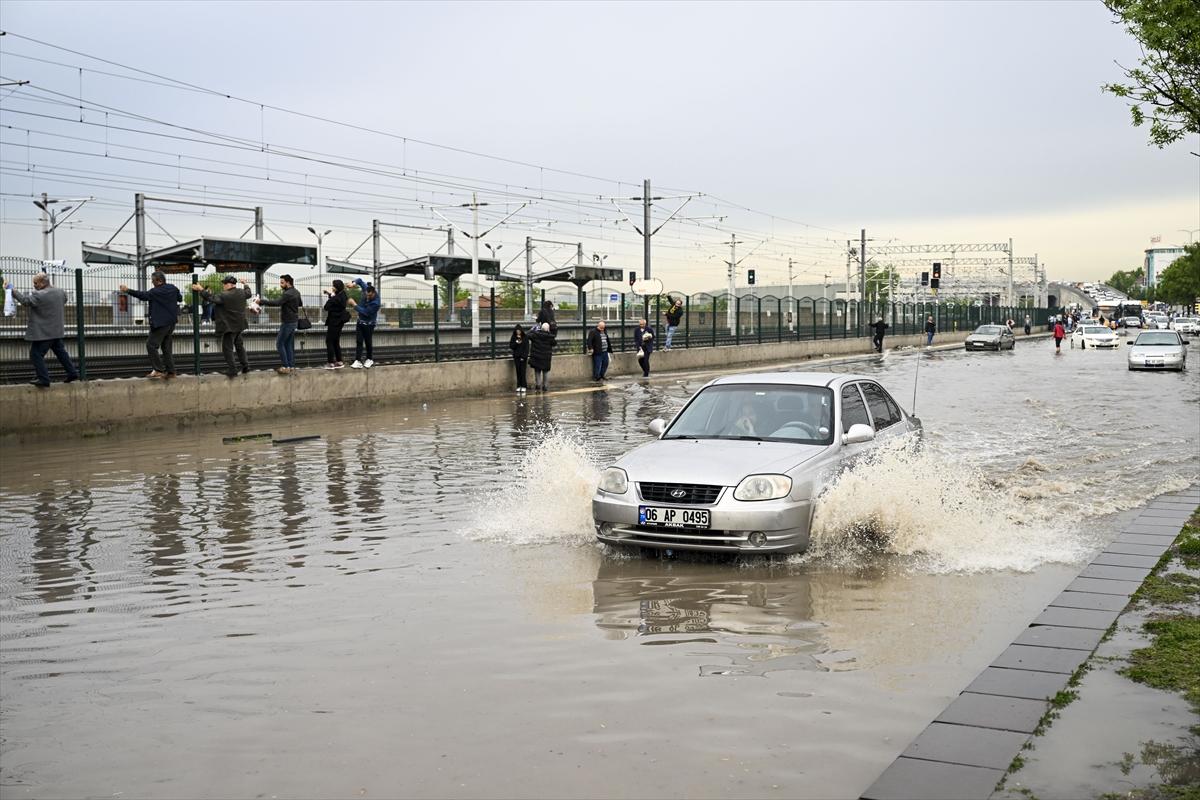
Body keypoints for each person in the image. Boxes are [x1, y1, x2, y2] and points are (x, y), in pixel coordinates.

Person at [6, 272, 79, 388]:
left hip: (44, 332)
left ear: (43, 283)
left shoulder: (39, 295)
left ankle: (43, 379)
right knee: (60, 352)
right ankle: (72, 373)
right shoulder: (61, 292)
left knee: (35, 354)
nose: (34, 285)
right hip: (57, 330)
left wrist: (13, 290)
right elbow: (63, 301)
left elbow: (25, 301)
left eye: (36, 283)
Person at [119, 271, 182, 379]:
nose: (152, 283)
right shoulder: (173, 288)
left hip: (160, 324)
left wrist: (127, 290)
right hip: (171, 323)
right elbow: (180, 298)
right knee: (166, 347)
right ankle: (171, 372)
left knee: (151, 345)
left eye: (153, 281)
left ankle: (158, 370)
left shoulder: (155, 292)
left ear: (159, 281)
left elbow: (143, 296)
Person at [193, 275, 251, 378]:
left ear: (229, 284)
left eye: (224, 283)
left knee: (227, 348)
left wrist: (201, 289)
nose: (223, 285)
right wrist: (245, 283)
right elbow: (249, 293)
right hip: (240, 325)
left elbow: (211, 298)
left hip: (229, 327)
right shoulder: (241, 292)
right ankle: (245, 366)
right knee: (239, 346)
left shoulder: (224, 295)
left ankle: (233, 369)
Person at [258, 274, 303, 374]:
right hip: (294, 321)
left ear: (288, 283)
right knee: (288, 344)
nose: (280, 284)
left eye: (282, 283)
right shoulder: (296, 292)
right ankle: (291, 366)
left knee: (279, 343)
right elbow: (300, 303)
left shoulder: (287, 294)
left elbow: (277, 303)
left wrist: (261, 301)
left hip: (287, 322)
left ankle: (285, 366)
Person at [348, 278, 381, 368]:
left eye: (369, 296)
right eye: (366, 295)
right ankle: (358, 360)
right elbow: (360, 280)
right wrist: (353, 283)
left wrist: (354, 304)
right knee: (359, 341)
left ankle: (369, 359)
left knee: (368, 342)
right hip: (360, 322)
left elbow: (365, 312)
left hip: (369, 324)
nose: (367, 297)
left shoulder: (376, 303)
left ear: (373, 293)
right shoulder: (366, 289)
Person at [322, 279, 350, 369]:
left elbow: (326, 307)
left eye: (333, 286)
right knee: (336, 341)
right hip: (340, 322)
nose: (332, 288)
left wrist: (331, 296)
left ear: (337, 287)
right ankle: (339, 361)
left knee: (329, 341)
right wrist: (330, 294)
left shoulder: (336, 298)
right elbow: (336, 302)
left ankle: (330, 363)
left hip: (334, 321)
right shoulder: (343, 295)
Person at [528, 321, 556, 391]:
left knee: (537, 371)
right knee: (545, 372)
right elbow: (554, 343)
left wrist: (532, 329)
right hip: (546, 358)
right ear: (548, 329)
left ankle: (538, 385)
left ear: (541, 328)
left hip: (536, 357)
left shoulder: (535, 335)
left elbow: (527, 335)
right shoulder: (550, 337)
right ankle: (545, 386)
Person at [509, 323, 530, 393]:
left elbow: (527, 348)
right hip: (517, 357)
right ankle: (519, 386)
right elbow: (511, 346)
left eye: (519, 331)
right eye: (517, 331)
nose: (518, 332)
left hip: (523, 357)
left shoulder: (525, 337)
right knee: (518, 371)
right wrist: (516, 343)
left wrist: (524, 356)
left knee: (523, 372)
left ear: (521, 331)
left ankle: (524, 386)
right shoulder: (514, 337)